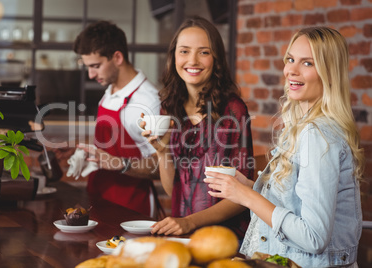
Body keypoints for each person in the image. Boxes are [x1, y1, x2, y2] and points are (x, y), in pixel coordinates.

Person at [204, 26, 364, 267]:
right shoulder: (303, 126)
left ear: (330, 74)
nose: (291, 70)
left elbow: (314, 237)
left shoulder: (317, 135)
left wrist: (246, 196)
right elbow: (295, 202)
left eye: (308, 63)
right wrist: (249, 186)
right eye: (290, 59)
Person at [142, 16, 254, 240]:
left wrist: (189, 222)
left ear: (216, 59)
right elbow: (174, 189)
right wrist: (162, 151)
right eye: (184, 51)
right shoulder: (170, 107)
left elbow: (243, 196)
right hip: (182, 232)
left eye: (203, 52)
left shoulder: (232, 110)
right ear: (174, 56)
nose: (192, 61)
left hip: (225, 236)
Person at [73, 20, 163, 218]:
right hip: (98, 200)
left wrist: (120, 164)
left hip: (132, 209)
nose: (90, 74)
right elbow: (112, 146)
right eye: (87, 67)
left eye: (96, 66)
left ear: (118, 57)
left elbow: (163, 165)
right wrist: (81, 152)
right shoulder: (111, 90)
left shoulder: (148, 101)